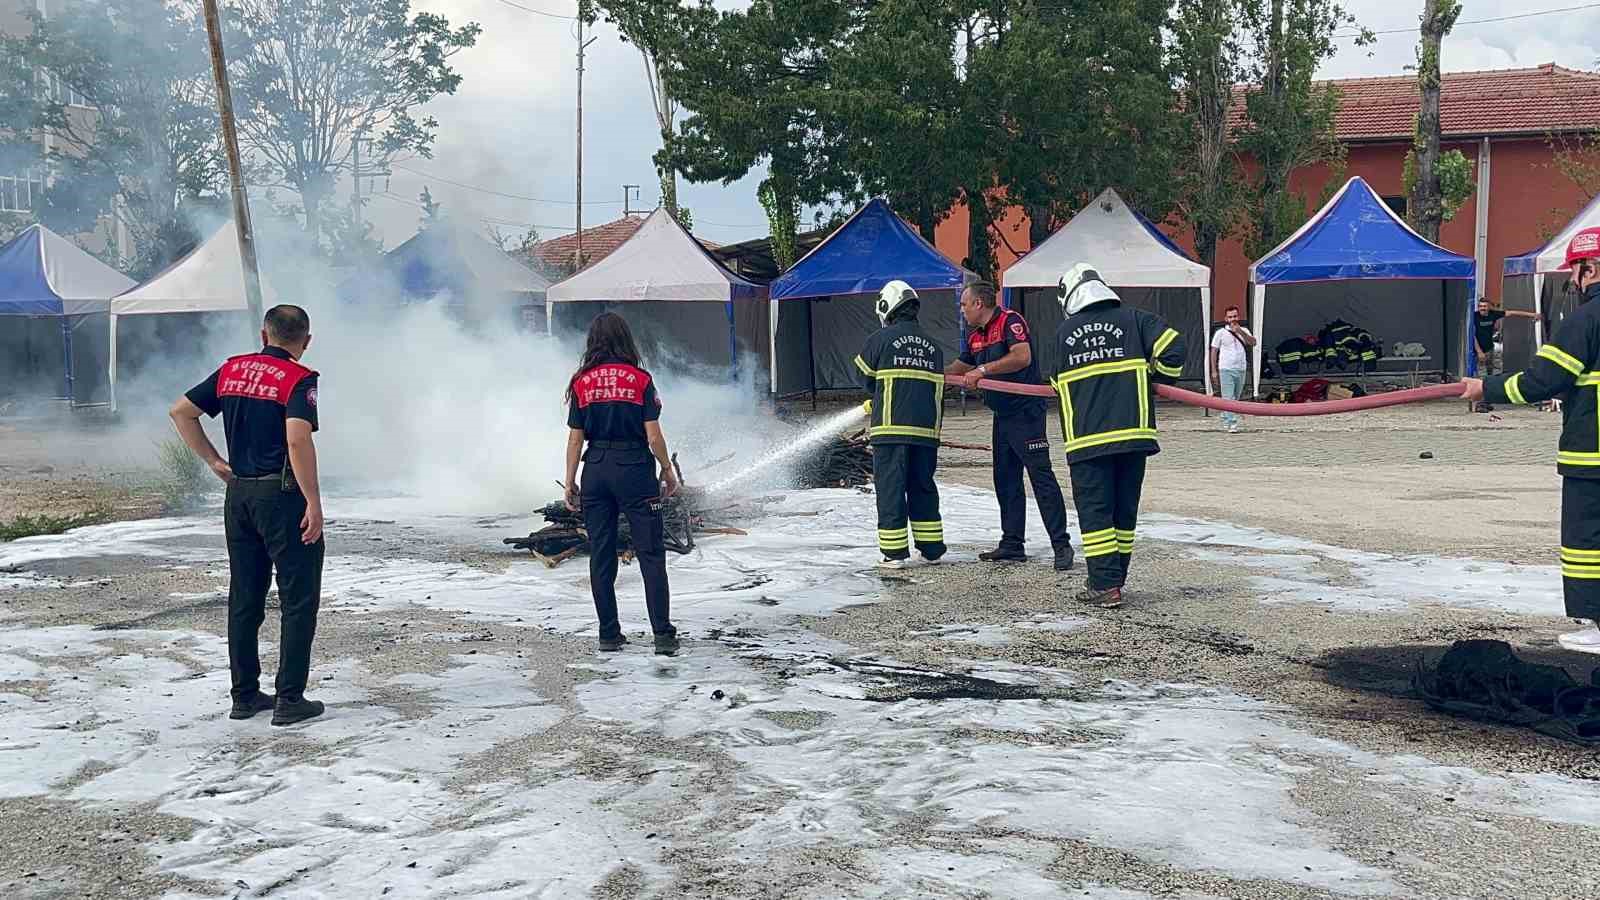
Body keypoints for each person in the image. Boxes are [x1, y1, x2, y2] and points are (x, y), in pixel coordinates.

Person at [169, 305, 327, 727]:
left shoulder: (231, 370)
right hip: (281, 496)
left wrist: (214, 462)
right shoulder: (299, 378)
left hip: (238, 496)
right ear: (305, 341)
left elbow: (180, 411)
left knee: (245, 596)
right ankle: (290, 698)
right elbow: (297, 441)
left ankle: (244, 696)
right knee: (298, 598)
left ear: (264, 335)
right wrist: (313, 501)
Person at [1462, 227, 1600, 654]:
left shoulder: (1584, 321)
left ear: (1588, 269)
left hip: (1591, 456)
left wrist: (1487, 389)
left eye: (1574, 273)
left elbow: (1543, 382)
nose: (1573, 283)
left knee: (1587, 541)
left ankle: (1597, 626)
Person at [1051, 263, 1186, 609]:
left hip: (1087, 438)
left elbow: (1054, 381)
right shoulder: (1136, 319)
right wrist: (1159, 380)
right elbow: (1174, 348)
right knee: (1124, 513)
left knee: (1096, 515)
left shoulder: (1064, 334)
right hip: (1133, 433)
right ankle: (1115, 577)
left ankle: (1104, 584)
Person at [564, 313, 681, 655]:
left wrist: (569, 482)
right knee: (650, 553)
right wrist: (666, 469)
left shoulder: (581, 382)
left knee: (600, 555)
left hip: (596, 469)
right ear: (625, 340)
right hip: (634, 469)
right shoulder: (641, 380)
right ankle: (662, 635)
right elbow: (654, 435)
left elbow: (575, 440)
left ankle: (609, 634)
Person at [945, 281, 1074, 570]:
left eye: (964, 304)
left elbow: (1021, 356)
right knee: (1005, 479)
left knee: (1041, 477)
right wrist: (932, 375)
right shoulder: (975, 334)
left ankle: (1061, 545)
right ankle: (1012, 544)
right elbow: (962, 366)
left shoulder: (1010, 321)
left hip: (1025, 412)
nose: (962, 310)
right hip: (1001, 414)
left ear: (979, 303)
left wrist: (983, 370)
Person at [855, 280, 947, 568]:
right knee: (922, 486)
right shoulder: (934, 346)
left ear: (887, 306)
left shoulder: (880, 339)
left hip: (891, 431)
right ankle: (932, 548)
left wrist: (880, 394)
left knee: (891, 488)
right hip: (926, 432)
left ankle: (894, 553)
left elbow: (863, 378)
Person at [1472, 297, 1540, 412]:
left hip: (1490, 349)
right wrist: (1479, 352)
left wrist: (1533, 315)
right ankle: (1478, 404)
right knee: (1481, 377)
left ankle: (1487, 401)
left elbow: (1512, 313)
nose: (1482, 308)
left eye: (1484, 306)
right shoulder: (1474, 317)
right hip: (1479, 351)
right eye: (1480, 306)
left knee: (1491, 377)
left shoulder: (1493, 314)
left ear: (1489, 307)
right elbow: (1472, 335)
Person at [1209, 306, 1255, 433]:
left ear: (1238, 317)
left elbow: (1252, 342)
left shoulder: (1244, 330)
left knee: (1236, 396)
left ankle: (1225, 416)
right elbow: (1213, 351)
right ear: (1226, 319)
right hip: (1226, 368)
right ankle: (1232, 423)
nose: (1232, 319)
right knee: (1228, 397)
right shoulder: (1220, 333)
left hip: (1241, 368)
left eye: (1234, 316)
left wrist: (1240, 331)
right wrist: (1213, 370)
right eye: (1230, 317)